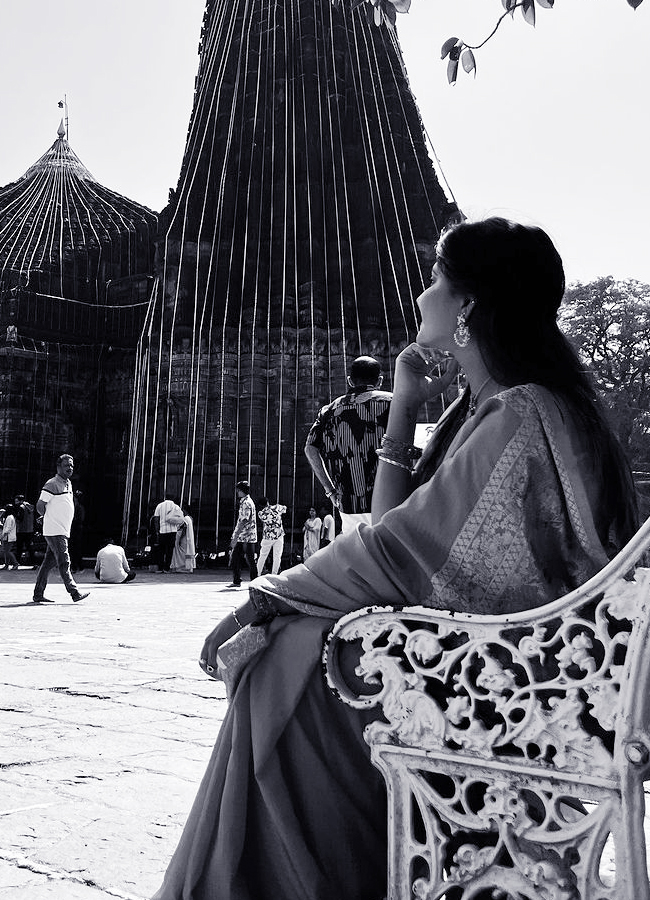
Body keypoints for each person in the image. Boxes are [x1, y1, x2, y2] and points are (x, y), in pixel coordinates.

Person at [152, 218, 637, 900]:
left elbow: (399, 546)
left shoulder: (518, 415)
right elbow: (393, 525)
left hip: (499, 681)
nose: (421, 295)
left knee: (289, 656)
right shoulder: (501, 408)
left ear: (468, 304)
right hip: (504, 670)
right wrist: (405, 402)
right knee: (297, 649)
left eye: (437, 279)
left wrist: (266, 595)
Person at [304, 355, 392, 533]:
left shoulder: (328, 411)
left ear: (350, 381)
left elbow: (310, 448)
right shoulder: (394, 402)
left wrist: (330, 491)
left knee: (358, 557)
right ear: (380, 381)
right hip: (390, 498)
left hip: (349, 504)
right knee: (392, 557)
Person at [33, 454, 90, 604]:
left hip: (62, 529)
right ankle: (74, 592)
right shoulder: (52, 484)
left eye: (71, 465)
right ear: (58, 467)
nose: (70, 468)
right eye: (66, 465)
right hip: (55, 530)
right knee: (64, 561)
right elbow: (40, 505)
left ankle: (38, 594)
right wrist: (48, 516)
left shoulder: (68, 483)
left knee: (47, 564)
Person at [228, 482, 257, 587]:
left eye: (239, 490)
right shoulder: (246, 501)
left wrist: (235, 535)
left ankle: (253, 581)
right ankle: (238, 580)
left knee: (247, 558)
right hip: (246, 535)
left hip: (245, 536)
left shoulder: (246, 503)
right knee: (239, 558)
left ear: (243, 490)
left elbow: (244, 520)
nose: (237, 492)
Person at [153, 495, 185, 573]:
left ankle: (160, 568)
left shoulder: (160, 506)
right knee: (169, 550)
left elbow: (156, 519)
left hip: (162, 531)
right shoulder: (176, 507)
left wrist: (157, 531)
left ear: (165, 498)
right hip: (173, 531)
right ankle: (167, 568)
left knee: (161, 550)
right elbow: (181, 519)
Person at [256, 498, 286, 575]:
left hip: (268, 536)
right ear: (268, 502)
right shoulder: (277, 507)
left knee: (262, 556)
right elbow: (285, 508)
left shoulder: (261, 513)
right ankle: (274, 574)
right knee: (277, 557)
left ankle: (257, 574)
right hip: (279, 535)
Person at [170, 507, 196, 573]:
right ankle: (187, 567)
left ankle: (181, 567)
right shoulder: (190, 518)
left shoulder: (186, 518)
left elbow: (184, 528)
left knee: (181, 553)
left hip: (184, 538)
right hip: (188, 539)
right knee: (184, 552)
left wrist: (180, 538)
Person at [14, 495, 35, 566]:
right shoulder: (30, 507)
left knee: (19, 547)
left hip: (21, 530)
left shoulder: (21, 507)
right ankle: (33, 562)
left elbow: (20, 518)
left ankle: (16, 562)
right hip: (29, 530)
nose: (15, 503)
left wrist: (15, 516)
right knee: (30, 547)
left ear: (21, 501)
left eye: (17, 501)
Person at [69, 490, 86, 572]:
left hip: (76, 529)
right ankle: (76, 566)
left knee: (75, 548)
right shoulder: (76, 507)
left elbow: (79, 519)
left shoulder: (78, 508)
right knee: (74, 548)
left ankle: (76, 566)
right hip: (75, 529)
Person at [1, 504, 20, 570]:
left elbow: (8, 529)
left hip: (8, 537)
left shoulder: (9, 518)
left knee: (8, 551)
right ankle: (6, 565)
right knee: (6, 551)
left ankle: (15, 563)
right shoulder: (11, 517)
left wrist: (2, 536)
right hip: (8, 537)